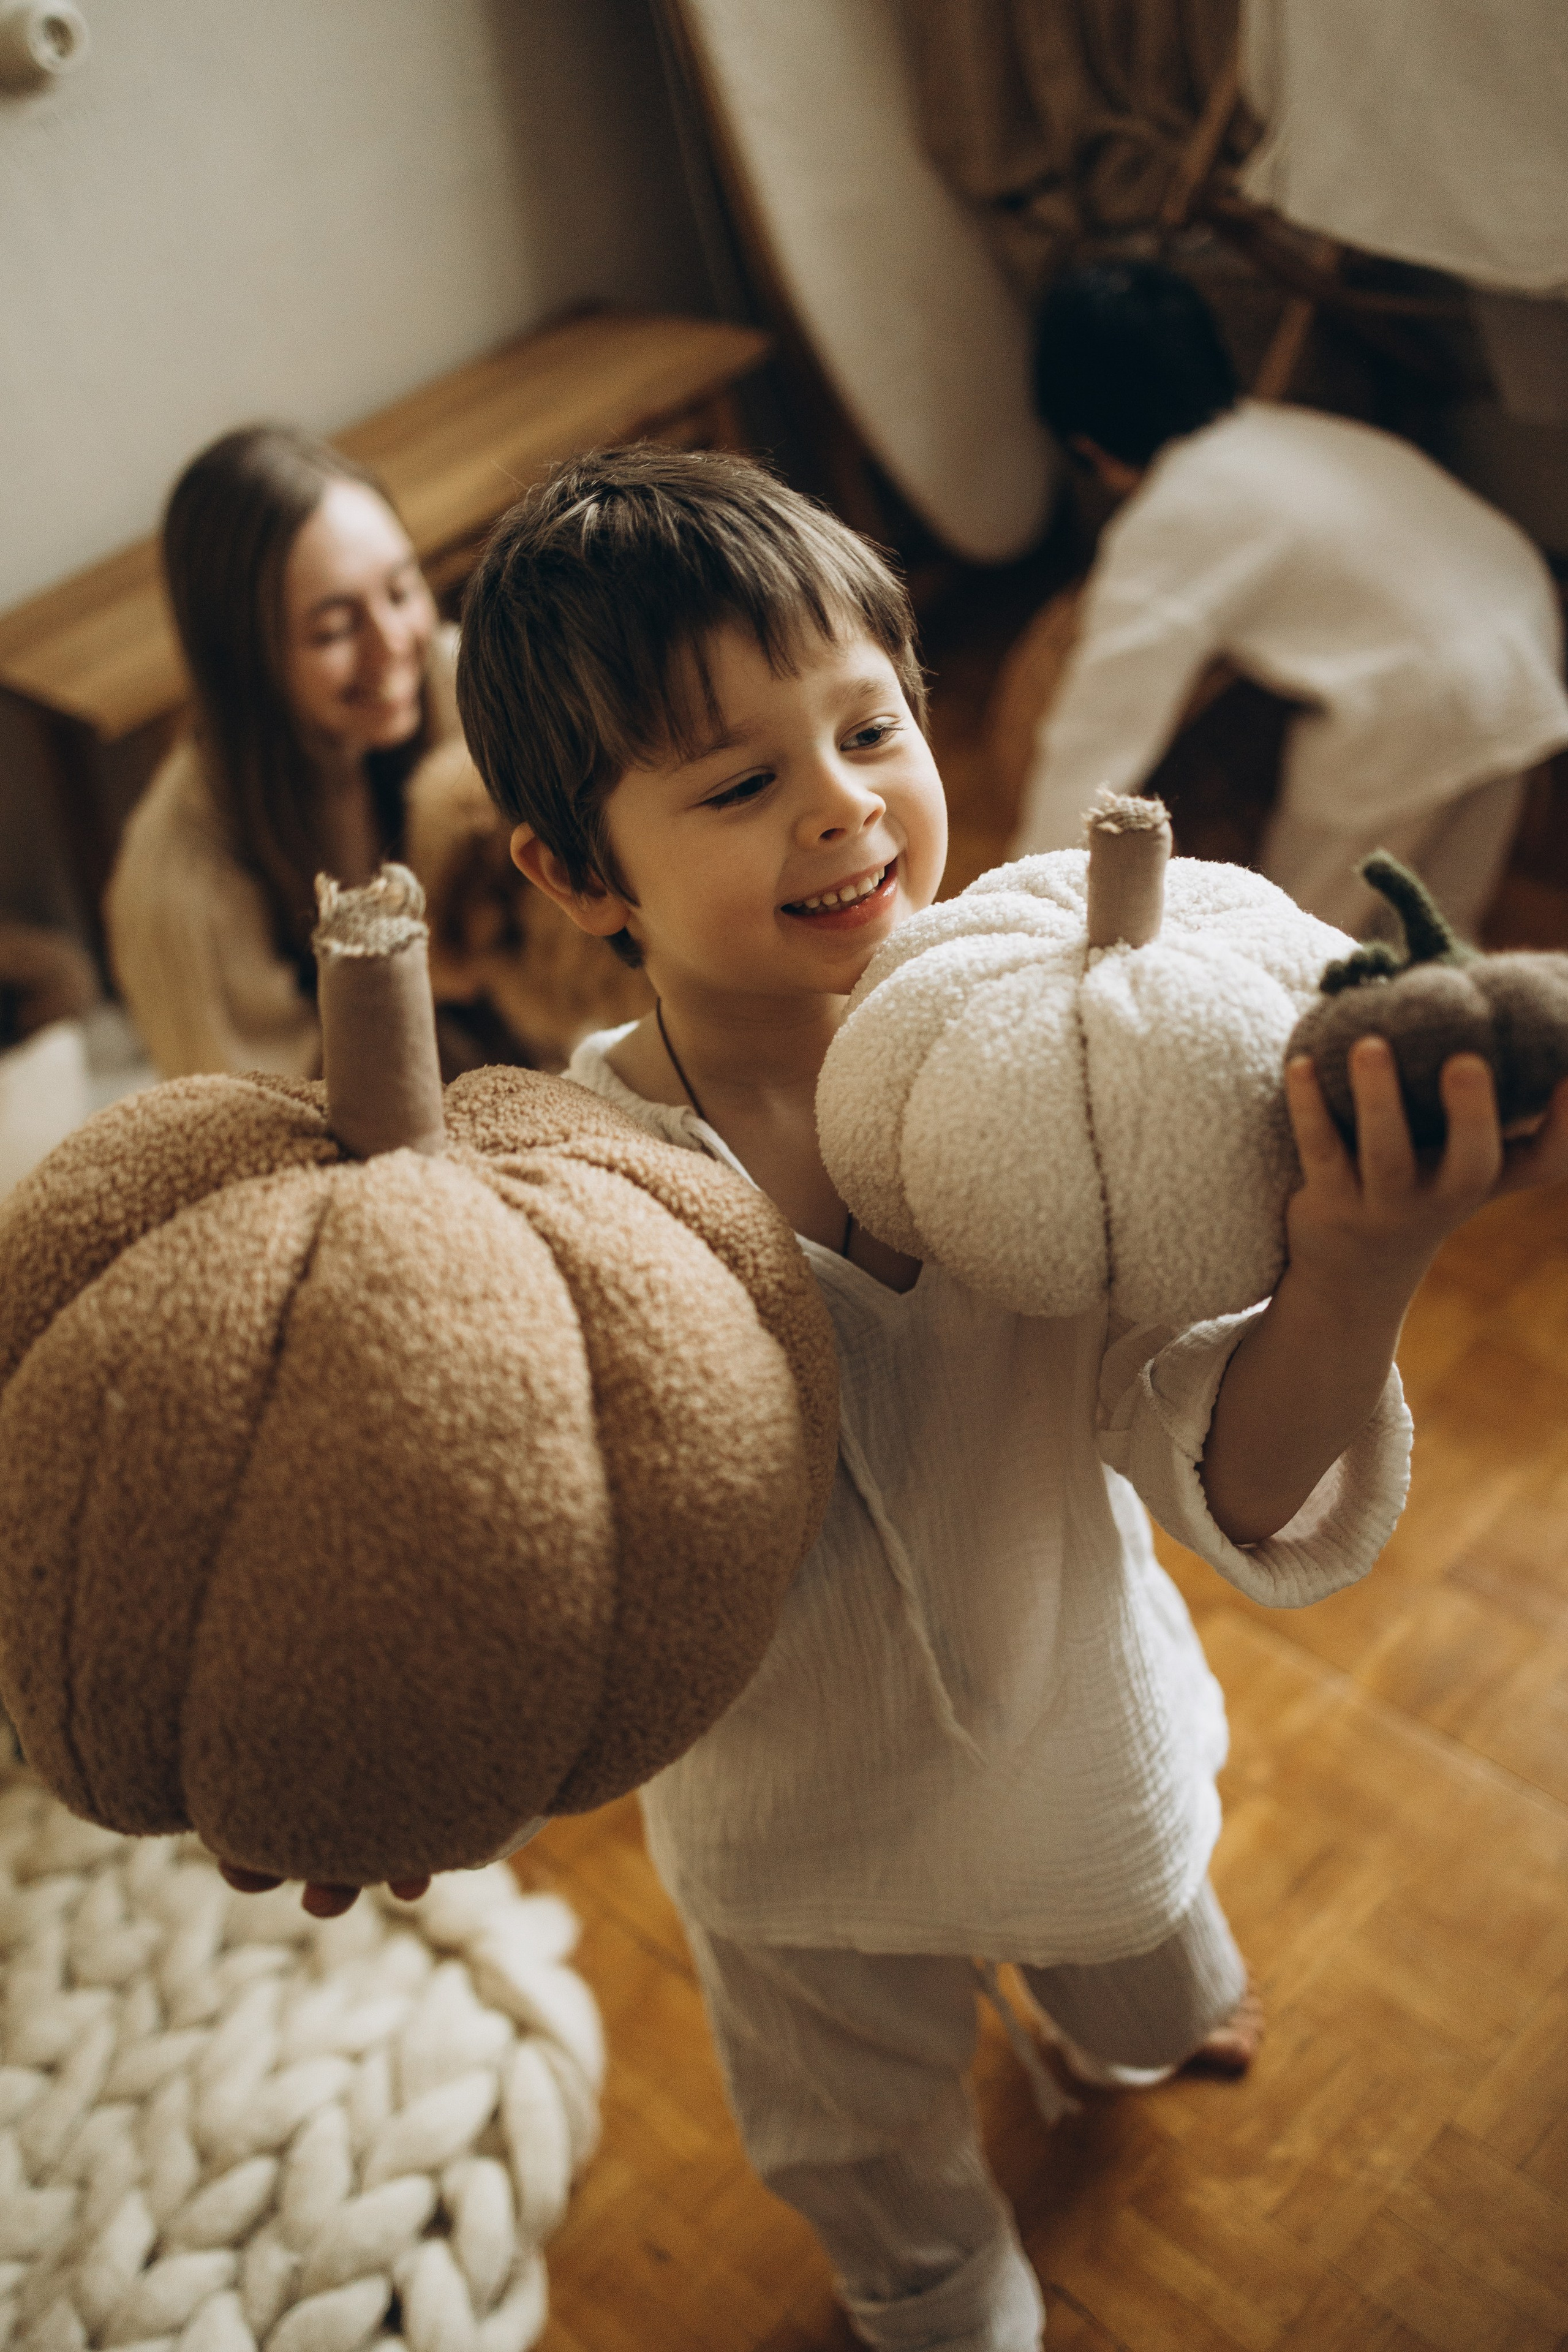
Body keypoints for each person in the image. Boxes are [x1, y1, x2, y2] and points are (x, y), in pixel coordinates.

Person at [426, 445, 1567, 2351]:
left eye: (872, 724)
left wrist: (1357, 1262)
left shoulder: (1076, 1088)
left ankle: (1136, 2017)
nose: (843, 807)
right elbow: (508, 1554)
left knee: (1144, 1961)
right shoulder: (558, 1193)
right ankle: (943, 2294)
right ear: (570, 866)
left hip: (1071, 1728)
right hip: (784, 1835)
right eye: (737, 780)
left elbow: (1250, 1481)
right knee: (854, 2134)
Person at [1009, 263, 1568, 939]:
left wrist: (1024, 900)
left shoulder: (1173, 515)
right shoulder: (1292, 433)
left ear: (1086, 442)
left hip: (1420, 699)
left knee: (1286, 937)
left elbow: (1096, 735)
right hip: (1525, 651)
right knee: (1432, 930)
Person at [106, 424, 461, 1080]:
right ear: (245, 661)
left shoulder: (454, 681)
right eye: (334, 629)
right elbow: (262, 1140)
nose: (394, 649)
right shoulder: (182, 892)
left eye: (402, 591)